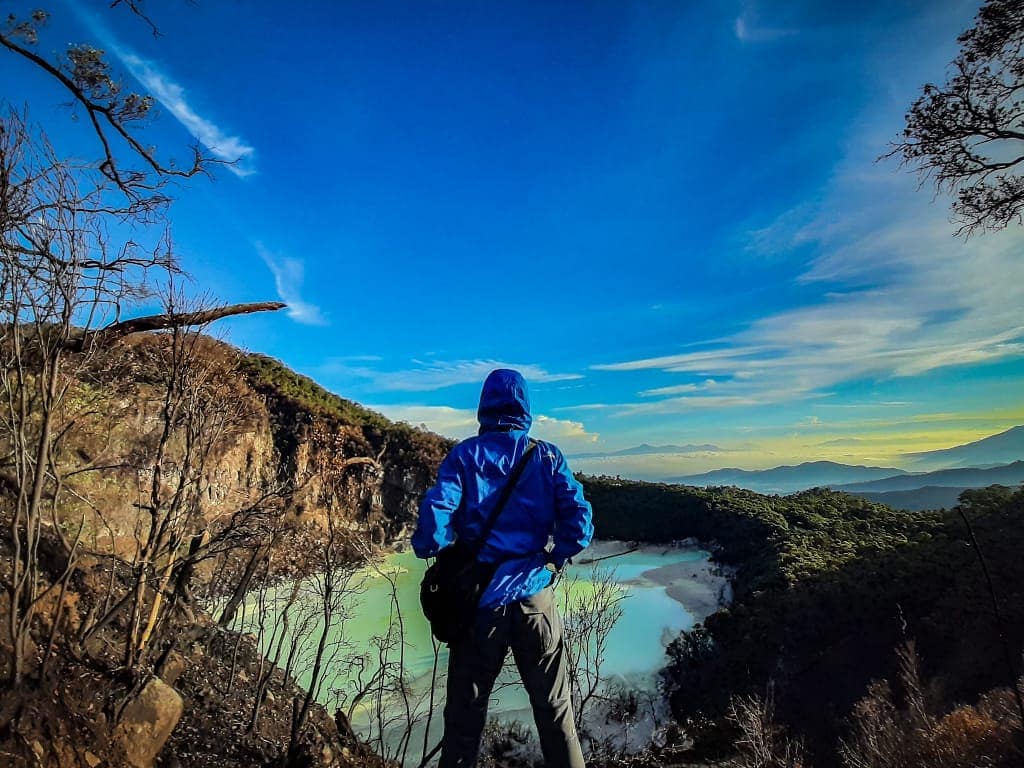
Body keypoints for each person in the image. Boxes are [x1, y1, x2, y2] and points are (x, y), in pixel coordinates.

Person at [412, 368, 594, 768]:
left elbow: (432, 524)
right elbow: (579, 523)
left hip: (480, 606)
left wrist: (441, 548)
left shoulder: (465, 456)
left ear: (484, 406)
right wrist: (555, 556)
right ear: (526, 408)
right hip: (535, 598)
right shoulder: (546, 455)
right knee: (555, 711)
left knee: (464, 719)